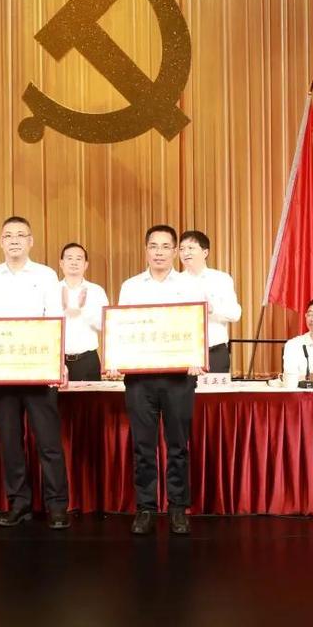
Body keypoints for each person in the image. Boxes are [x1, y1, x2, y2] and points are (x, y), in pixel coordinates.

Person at [0, 216, 70, 529]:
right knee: (11, 441)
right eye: (8, 236)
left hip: (38, 368)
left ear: (30, 241)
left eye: (20, 235)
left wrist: (59, 362)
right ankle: (19, 503)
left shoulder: (45, 275)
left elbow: (55, 319)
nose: (14, 240)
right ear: (1, 242)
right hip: (0, 370)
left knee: (48, 441)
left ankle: (57, 506)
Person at [108, 224, 206, 536]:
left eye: (166, 246)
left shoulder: (190, 285)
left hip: (178, 378)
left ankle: (178, 509)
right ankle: (146, 509)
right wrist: (115, 360)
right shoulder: (131, 286)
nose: (159, 252)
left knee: (178, 446)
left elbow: (196, 326)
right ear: (146, 250)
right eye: (154, 246)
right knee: (143, 446)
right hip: (140, 378)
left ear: (175, 251)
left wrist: (197, 357)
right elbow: (122, 328)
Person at [178, 230, 241, 374]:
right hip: (183, 353)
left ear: (205, 252)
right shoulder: (175, 281)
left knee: (214, 389)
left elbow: (235, 314)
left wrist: (212, 309)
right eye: (182, 249)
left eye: (191, 248)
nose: (185, 253)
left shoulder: (221, 279)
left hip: (214, 352)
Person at [58, 242, 109, 382]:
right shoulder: (51, 290)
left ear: (86, 264)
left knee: (90, 397)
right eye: (69, 258)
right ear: (61, 263)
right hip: (57, 361)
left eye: (79, 258)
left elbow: (105, 326)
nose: (74, 262)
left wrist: (83, 309)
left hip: (87, 360)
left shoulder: (96, 291)